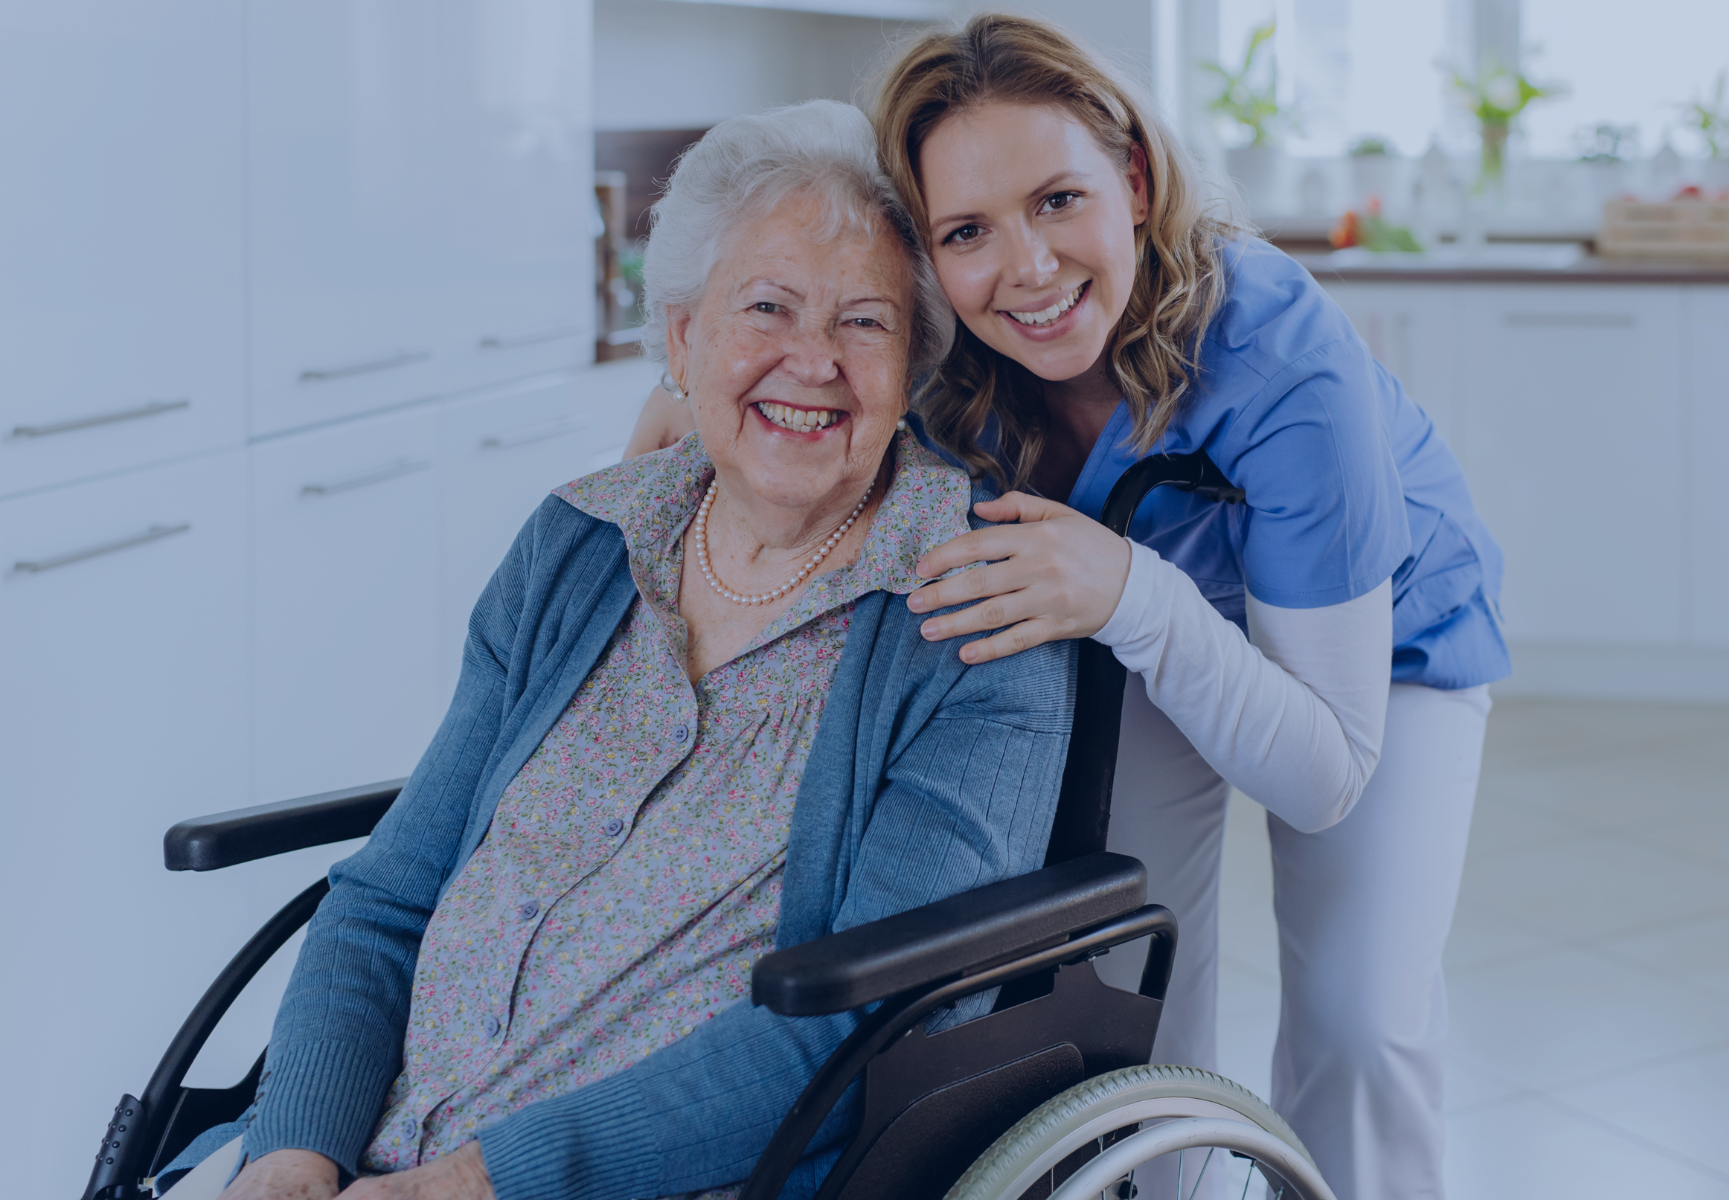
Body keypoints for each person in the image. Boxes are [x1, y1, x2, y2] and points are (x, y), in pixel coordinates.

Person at [620, 16, 1508, 1200]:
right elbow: (791, 368)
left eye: (1056, 201)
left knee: (1358, 1020)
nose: (1026, 269)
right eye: (967, 232)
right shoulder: (945, 355)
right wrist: (686, 406)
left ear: (1132, 180)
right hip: (1120, 615)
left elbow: (1320, 772)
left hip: (1379, 650)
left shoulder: (1285, 369)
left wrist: (1133, 591)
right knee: (1130, 968)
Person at [160, 99, 1075, 1200]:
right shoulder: (580, 542)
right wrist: (292, 1154)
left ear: (913, 364)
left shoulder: (973, 610)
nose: (812, 361)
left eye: (864, 323)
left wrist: (476, 1182)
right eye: (767, 308)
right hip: (369, 1154)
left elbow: (867, 1022)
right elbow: (386, 903)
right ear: (684, 340)